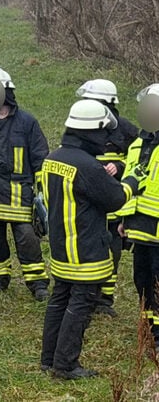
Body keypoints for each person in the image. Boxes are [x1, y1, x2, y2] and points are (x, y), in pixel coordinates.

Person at [40, 100, 137, 379]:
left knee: (59, 299)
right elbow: (115, 199)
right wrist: (131, 182)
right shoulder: (87, 166)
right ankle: (65, 365)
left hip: (61, 246)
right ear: (92, 131)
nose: (106, 139)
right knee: (80, 305)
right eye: (104, 133)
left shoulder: (53, 158)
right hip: (85, 248)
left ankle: (48, 359)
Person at [0, 66, 50, 299]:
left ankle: (37, 284)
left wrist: (43, 196)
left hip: (19, 197)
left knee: (27, 240)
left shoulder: (27, 122)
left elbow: (40, 159)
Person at [75, 79, 139, 316]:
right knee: (87, 251)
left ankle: (104, 300)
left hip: (114, 202)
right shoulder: (81, 124)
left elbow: (138, 159)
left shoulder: (126, 129)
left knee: (113, 252)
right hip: (87, 202)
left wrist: (119, 166)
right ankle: (86, 297)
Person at [118, 84, 159, 350]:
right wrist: (124, 220)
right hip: (140, 228)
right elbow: (130, 182)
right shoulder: (137, 144)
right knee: (141, 280)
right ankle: (149, 330)